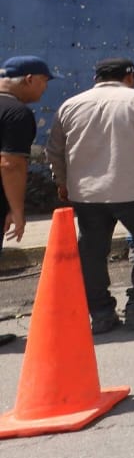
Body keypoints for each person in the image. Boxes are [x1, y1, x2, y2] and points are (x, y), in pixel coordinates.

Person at [46, 57, 134, 335]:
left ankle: (101, 313)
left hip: (87, 194)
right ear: (130, 76)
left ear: (97, 78)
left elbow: (55, 150)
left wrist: (62, 181)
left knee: (92, 252)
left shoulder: (70, 105)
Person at [0, 55, 56, 348]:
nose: (44, 90)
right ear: (30, 79)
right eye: (45, 82)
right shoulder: (15, 113)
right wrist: (17, 209)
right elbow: (10, 164)